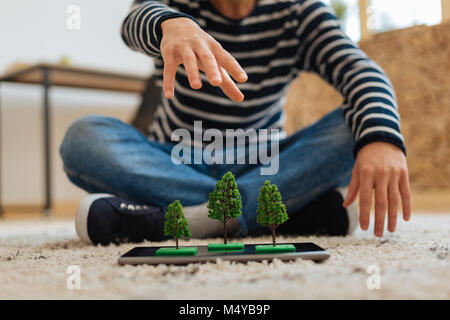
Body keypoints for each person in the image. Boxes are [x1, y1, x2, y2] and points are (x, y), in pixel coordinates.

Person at [60, 0, 411, 245]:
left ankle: (186, 218)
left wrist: (383, 140)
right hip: (178, 162)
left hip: (267, 164)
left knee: (360, 127)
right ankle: (278, 212)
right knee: (84, 138)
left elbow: (360, 70)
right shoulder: (173, 7)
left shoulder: (300, 12)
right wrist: (169, 23)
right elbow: (133, 21)